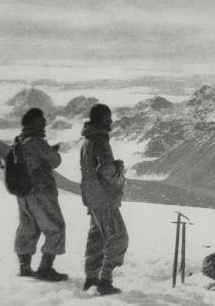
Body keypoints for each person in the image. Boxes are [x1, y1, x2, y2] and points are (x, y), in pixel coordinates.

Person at [13, 108, 68, 281]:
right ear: (35, 122)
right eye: (42, 119)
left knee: (28, 228)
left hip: (24, 193)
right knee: (55, 228)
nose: (45, 122)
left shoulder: (20, 141)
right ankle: (45, 269)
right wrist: (54, 152)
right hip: (41, 191)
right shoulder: (36, 142)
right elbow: (54, 161)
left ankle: (24, 267)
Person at [80, 104, 128, 296]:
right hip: (104, 198)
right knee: (118, 237)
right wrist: (118, 168)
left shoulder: (87, 141)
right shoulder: (100, 141)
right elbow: (106, 169)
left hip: (92, 197)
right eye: (108, 118)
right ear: (101, 120)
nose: (111, 122)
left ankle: (91, 278)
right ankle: (104, 280)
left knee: (97, 238)